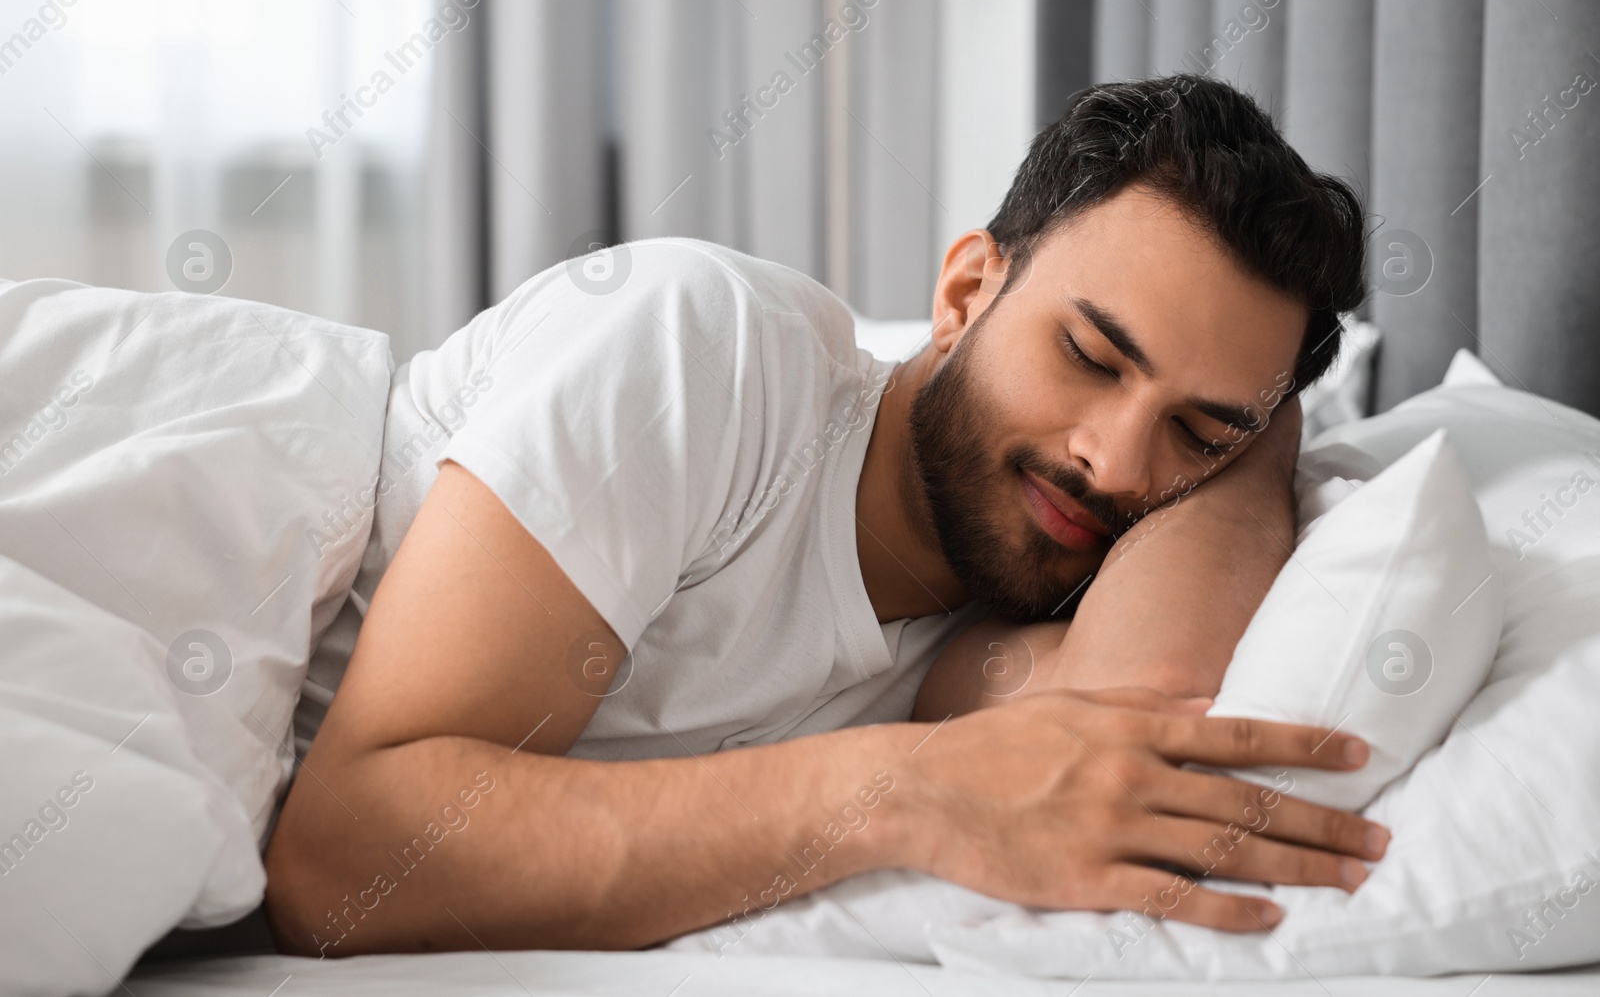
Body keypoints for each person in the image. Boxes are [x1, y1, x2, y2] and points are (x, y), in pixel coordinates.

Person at [265, 74, 1386, 957]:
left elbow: (1140, 732)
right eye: (1089, 355)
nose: (1113, 459)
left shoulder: (990, 635)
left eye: (1195, 431)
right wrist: (905, 793)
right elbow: (340, 861)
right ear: (962, 295)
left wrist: (1266, 419)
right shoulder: (705, 348)